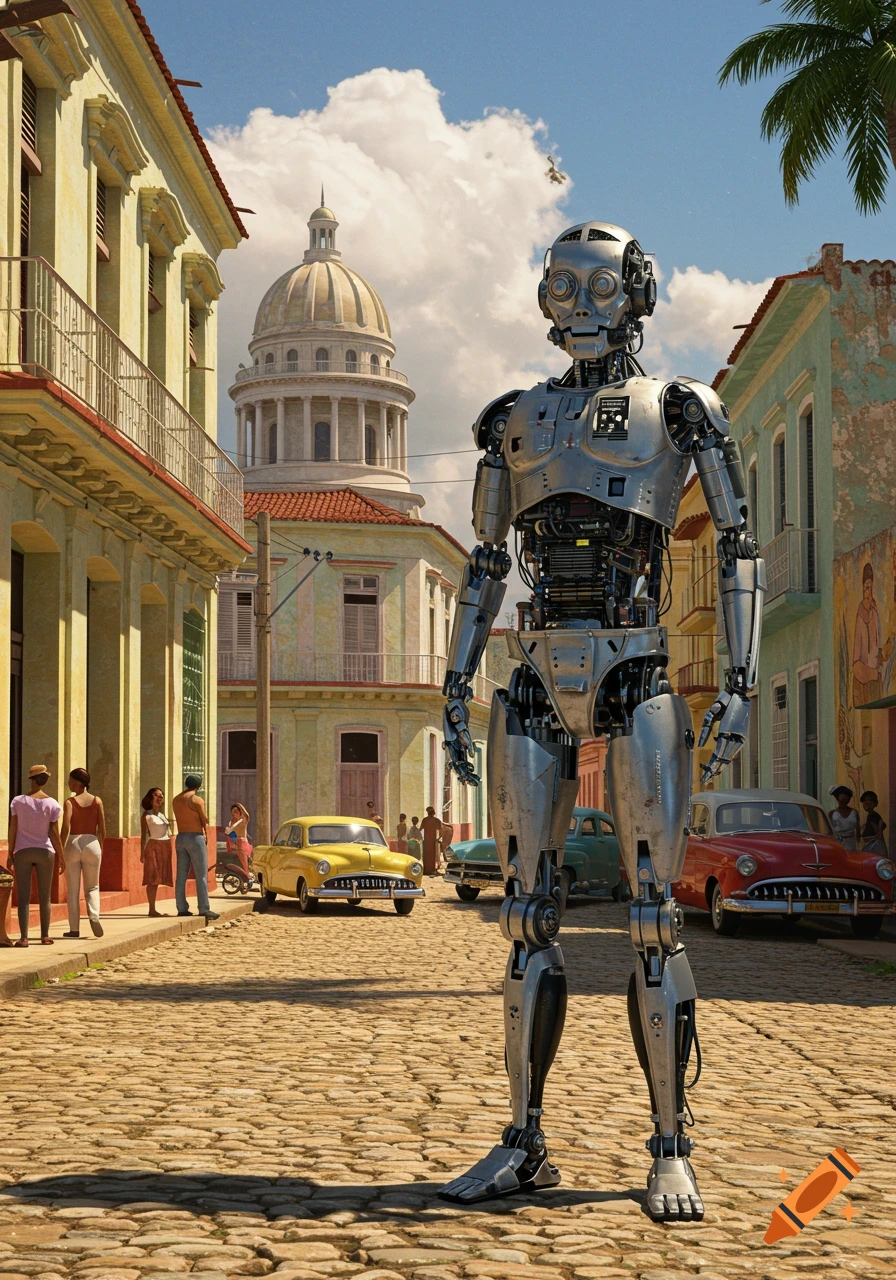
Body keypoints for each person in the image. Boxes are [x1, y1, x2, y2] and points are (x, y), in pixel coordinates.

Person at [7, 764, 64, 946]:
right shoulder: (52, 804)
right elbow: (54, 833)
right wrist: (61, 857)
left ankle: (24, 938)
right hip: (45, 851)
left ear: (31, 779)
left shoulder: (18, 801)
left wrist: (10, 851)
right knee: (44, 896)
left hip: (23, 850)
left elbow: (13, 828)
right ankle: (44, 935)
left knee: (24, 896)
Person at [60, 768, 105, 939]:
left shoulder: (70, 802)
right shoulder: (97, 801)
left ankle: (74, 929)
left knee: (72, 889)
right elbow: (102, 828)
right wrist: (101, 846)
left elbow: (65, 828)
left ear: (78, 783)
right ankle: (94, 915)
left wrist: (60, 848)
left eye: (71, 781)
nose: (69, 784)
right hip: (92, 843)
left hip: (73, 842)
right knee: (92, 886)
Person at [172, 775, 218, 921]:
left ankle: (182, 907)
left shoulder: (176, 799)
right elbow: (205, 819)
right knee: (201, 874)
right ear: (198, 786)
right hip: (195, 837)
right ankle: (204, 908)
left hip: (181, 837)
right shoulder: (196, 800)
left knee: (181, 875)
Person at [140, 787, 174, 917]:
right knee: (152, 878)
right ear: (151, 798)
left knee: (160, 877)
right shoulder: (146, 815)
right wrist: (141, 853)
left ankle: (154, 908)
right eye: (156, 795)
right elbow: (144, 835)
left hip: (165, 846)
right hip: (153, 846)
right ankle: (151, 908)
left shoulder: (162, 815)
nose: (159, 798)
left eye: (161, 796)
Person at [828, 786, 860, 851]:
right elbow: (829, 830)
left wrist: (858, 841)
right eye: (841, 799)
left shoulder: (854, 812)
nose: (843, 801)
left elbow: (858, 828)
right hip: (838, 842)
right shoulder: (832, 814)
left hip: (852, 843)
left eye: (846, 799)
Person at [224, 802, 252, 876]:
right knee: (239, 865)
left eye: (236, 811)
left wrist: (241, 806)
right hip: (236, 843)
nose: (234, 813)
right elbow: (230, 834)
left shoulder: (242, 821)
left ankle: (247, 877)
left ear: (240, 813)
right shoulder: (231, 823)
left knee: (244, 864)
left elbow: (247, 816)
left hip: (242, 843)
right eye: (233, 812)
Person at [859, 790, 888, 855]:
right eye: (864, 801)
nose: (866, 803)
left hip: (874, 848)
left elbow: (878, 835)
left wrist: (863, 839)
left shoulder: (872, 816)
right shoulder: (872, 815)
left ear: (875, 803)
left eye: (869, 800)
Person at [420, 805, 442, 876]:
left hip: (426, 841)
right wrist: (439, 838)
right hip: (433, 841)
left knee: (426, 855)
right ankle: (432, 870)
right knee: (433, 856)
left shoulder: (425, 820)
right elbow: (441, 831)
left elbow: (420, 829)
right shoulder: (437, 821)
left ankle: (426, 870)